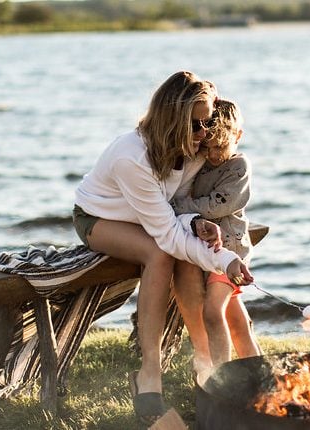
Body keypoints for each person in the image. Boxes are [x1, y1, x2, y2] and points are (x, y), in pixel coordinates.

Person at [72, 71, 254, 425]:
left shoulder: (196, 147)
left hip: (155, 216)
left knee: (186, 260)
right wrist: (227, 259)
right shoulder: (132, 157)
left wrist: (199, 223)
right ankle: (148, 373)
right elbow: (168, 235)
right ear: (173, 122)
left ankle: (207, 365)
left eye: (209, 121)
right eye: (198, 125)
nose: (206, 134)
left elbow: (176, 209)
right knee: (161, 254)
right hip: (102, 218)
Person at [171, 99, 262, 374]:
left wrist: (179, 209)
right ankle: (259, 375)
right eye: (207, 147)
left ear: (238, 137)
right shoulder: (200, 164)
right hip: (206, 252)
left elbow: (218, 204)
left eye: (219, 147)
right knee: (236, 320)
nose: (212, 154)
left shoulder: (238, 166)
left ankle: (222, 379)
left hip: (231, 251)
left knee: (213, 312)